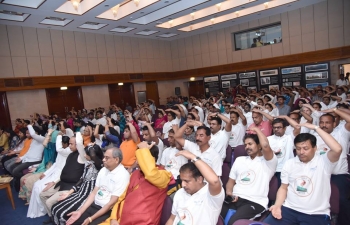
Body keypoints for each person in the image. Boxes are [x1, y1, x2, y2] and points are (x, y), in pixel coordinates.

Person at [264, 123, 342, 225]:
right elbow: (283, 188)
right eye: (298, 148)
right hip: (289, 209)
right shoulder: (290, 163)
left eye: (306, 148)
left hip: (315, 214)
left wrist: (316, 127)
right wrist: (278, 205)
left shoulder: (324, 162)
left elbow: (337, 149)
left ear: (315, 148)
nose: (301, 152)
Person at [101, 142, 171, 225]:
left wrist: (144, 149)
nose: (137, 162)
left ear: (150, 158)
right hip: (120, 220)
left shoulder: (164, 175)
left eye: (140, 158)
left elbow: (151, 174)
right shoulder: (135, 174)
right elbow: (122, 199)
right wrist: (113, 218)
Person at [221, 127, 277, 224]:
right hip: (235, 199)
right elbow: (230, 182)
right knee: (215, 216)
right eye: (245, 145)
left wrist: (257, 129)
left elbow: (265, 145)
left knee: (234, 222)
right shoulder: (239, 160)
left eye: (250, 144)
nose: (247, 147)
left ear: (259, 146)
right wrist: (229, 193)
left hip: (254, 202)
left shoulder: (269, 162)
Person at [63, 147, 129, 225]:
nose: (103, 160)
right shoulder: (103, 170)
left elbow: (111, 203)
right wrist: (80, 211)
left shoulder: (123, 175)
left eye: (107, 158)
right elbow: (94, 192)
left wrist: (91, 219)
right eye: (104, 157)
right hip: (94, 204)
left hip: (106, 211)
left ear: (116, 160)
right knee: (73, 221)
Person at [165, 150, 224, 224]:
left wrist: (193, 157)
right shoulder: (180, 193)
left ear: (199, 179)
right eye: (182, 180)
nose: (183, 185)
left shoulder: (211, 196)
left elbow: (215, 181)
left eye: (187, 181)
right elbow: (172, 219)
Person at [51, 144, 103, 225]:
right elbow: (81, 179)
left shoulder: (100, 166)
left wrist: (92, 148)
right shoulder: (88, 163)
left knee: (62, 213)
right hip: (79, 193)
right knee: (55, 208)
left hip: (87, 196)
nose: (84, 155)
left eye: (86, 154)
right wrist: (69, 192)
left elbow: (96, 159)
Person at [39, 134, 86, 222]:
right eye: (69, 143)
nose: (69, 146)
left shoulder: (82, 157)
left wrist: (78, 135)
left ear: (78, 144)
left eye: (71, 144)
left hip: (71, 187)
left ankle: (55, 220)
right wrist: (54, 182)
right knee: (42, 195)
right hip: (61, 183)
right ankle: (52, 217)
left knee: (49, 202)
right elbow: (64, 171)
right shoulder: (70, 155)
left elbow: (80, 145)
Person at [12, 125, 45, 192]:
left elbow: (33, 134)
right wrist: (21, 158)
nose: (27, 134)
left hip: (34, 161)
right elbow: (29, 152)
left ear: (35, 132)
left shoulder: (42, 139)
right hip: (28, 159)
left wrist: (29, 125)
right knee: (12, 167)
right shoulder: (33, 140)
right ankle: (19, 183)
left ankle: (21, 182)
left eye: (28, 132)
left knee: (15, 171)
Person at [267, 118, 298, 187]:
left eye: (279, 127)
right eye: (274, 127)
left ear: (285, 128)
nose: (276, 129)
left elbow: (297, 127)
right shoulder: (268, 139)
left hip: (285, 170)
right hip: (271, 169)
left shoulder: (290, 138)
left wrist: (285, 116)